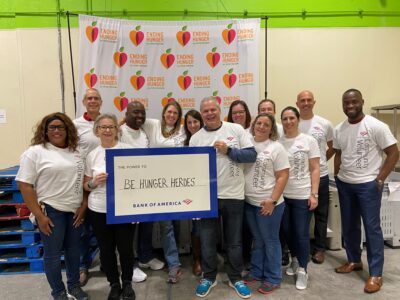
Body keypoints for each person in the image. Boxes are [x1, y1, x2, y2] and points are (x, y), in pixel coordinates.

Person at [190, 96, 257, 299]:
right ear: (201, 114)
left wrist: (229, 151)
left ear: (220, 111)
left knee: (234, 242)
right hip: (207, 198)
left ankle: (235, 277)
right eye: (205, 111)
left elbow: (251, 155)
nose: (210, 113)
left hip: (234, 195)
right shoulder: (196, 138)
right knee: (208, 240)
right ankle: (209, 277)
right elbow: (191, 170)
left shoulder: (235, 130)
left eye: (213, 109)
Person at [16, 112, 88, 300]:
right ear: (45, 131)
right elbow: (24, 184)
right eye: (52, 127)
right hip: (51, 211)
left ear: (68, 129)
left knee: (74, 252)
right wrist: (39, 215)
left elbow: (83, 181)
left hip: (74, 210)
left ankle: (74, 287)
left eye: (61, 127)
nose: (57, 131)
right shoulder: (35, 152)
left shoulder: (77, 151)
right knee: (53, 255)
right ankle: (58, 292)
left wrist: (83, 206)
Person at [333, 89, 399, 294]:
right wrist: (337, 175)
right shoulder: (339, 129)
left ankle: (376, 274)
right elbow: (338, 153)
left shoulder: (376, 126)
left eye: (354, 102)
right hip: (345, 183)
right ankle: (354, 260)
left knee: (372, 229)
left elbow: (393, 152)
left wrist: (379, 179)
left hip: (368, 185)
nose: (350, 106)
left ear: (361, 101)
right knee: (349, 226)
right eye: (346, 103)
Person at [84, 114, 135, 300]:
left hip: (124, 208)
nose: (107, 130)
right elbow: (85, 185)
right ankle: (114, 284)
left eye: (111, 126)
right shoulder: (92, 155)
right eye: (103, 127)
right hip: (98, 209)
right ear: (97, 130)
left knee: (126, 248)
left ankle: (127, 283)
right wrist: (94, 183)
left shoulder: (127, 150)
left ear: (117, 129)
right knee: (106, 250)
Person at [243, 113, 289, 295]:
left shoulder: (276, 148)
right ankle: (256, 271)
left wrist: (273, 200)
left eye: (266, 124)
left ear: (272, 129)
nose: (261, 127)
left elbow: (283, 175)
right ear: (253, 125)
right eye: (258, 123)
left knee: (270, 241)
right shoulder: (247, 144)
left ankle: (273, 277)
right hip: (249, 202)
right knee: (258, 240)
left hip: (269, 204)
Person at [119, 101, 165, 282]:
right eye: (135, 112)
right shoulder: (120, 132)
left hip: (146, 186)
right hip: (127, 189)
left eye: (142, 113)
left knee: (147, 225)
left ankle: (145, 257)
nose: (139, 116)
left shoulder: (145, 131)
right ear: (126, 113)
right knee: (129, 230)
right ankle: (130, 265)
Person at [142, 100, 184, 283]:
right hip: (156, 184)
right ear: (163, 113)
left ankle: (174, 256)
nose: (172, 115)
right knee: (166, 225)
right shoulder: (153, 125)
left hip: (178, 183)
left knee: (175, 223)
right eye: (169, 112)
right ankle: (174, 264)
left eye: (175, 113)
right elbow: (129, 120)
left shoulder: (183, 130)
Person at [279, 106, 320, 290]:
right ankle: (295, 260)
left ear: (297, 120)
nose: (288, 122)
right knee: (287, 231)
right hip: (282, 196)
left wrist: (314, 193)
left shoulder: (308, 141)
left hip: (302, 195)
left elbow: (315, 169)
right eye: (285, 119)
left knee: (301, 234)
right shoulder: (278, 142)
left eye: (291, 118)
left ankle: (303, 270)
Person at [296, 90, 335, 264]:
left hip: (322, 176)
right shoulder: (292, 123)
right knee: (302, 215)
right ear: (297, 104)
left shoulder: (324, 123)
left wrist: (320, 164)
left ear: (314, 102)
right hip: (300, 178)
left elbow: (333, 146)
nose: (306, 103)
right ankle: (298, 248)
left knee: (321, 214)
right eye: (302, 100)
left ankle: (319, 249)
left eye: (308, 100)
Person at [73, 88, 102, 286]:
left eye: (96, 98)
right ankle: (83, 266)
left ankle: (105, 263)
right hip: (82, 182)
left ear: (101, 102)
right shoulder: (75, 125)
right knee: (82, 227)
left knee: (103, 227)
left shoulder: (108, 122)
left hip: (104, 182)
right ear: (84, 102)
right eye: (89, 98)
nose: (92, 101)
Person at [183, 109, 204, 276]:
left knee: (211, 225)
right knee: (196, 226)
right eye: (189, 122)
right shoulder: (185, 142)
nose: (192, 125)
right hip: (192, 189)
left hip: (210, 188)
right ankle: (197, 259)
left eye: (195, 122)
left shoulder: (208, 138)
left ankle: (209, 256)